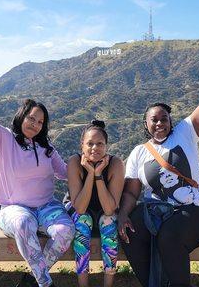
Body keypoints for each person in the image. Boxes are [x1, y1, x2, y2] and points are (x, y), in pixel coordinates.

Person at [0, 54, 75, 287]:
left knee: (65, 231)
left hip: (47, 208)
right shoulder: (3, 139)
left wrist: (91, 165)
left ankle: (35, 277)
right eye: (31, 118)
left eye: (40, 122)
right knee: (23, 224)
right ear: (22, 117)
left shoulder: (47, 149)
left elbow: (67, 173)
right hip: (14, 209)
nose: (35, 124)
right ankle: (45, 282)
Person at [118, 57, 199, 287]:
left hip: (192, 213)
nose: (159, 123)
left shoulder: (185, 132)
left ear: (171, 121)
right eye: (154, 120)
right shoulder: (138, 153)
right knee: (130, 232)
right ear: (146, 124)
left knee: (169, 236)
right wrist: (123, 214)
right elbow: (131, 194)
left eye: (164, 119)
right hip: (156, 213)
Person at [65, 120, 125, 287]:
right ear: (82, 145)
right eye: (90, 143)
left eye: (100, 144)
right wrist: (90, 174)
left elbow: (109, 209)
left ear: (106, 146)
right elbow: (80, 207)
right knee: (83, 220)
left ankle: (108, 283)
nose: (94, 148)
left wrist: (98, 175)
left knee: (109, 221)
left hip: (104, 213)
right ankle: (83, 283)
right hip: (81, 212)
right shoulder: (75, 162)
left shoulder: (115, 164)